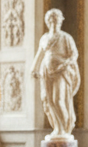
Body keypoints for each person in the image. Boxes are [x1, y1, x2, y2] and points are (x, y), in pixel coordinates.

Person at [30, 8, 80, 139]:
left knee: (58, 100)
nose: (54, 23)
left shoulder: (66, 38)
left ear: (61, 22)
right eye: (51, 20)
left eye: (56, 20)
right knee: (48, 100)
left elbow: (74, 54)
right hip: (46, 71)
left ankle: (65, 129)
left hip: (61, 71)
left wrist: (66, 63)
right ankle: (57, 128)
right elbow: (39, 54)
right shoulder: (44, 38)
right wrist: (34, 68)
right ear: (47, 22)